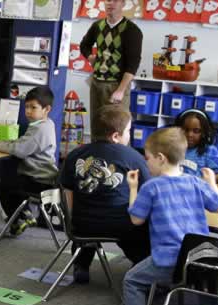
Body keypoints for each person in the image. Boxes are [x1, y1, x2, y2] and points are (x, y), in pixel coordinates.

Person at [108, 128, 218, 305]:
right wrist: (212, 183)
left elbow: (136, 219)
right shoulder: (195, 182)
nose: (146, 162)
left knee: (132, 279)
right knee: (201, 277)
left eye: (148, 158)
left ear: (160, 158)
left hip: (169, 259)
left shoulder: (151, 187)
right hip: (202, 257)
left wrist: (132, 188)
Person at [60, 106, 151, 284]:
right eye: (128, 131)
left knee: (85, 235)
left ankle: (81, 265)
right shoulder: (133, 156)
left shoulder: (75, 154)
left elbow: (67, 191)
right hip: (121, 225)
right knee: (141, 231)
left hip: (82, 225)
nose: (129, 136)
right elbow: (147, 191)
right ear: (116, 136)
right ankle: (140, 265)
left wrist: (71, 221)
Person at [0, 86, 60, 237]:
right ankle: (26, 214)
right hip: (43, 176)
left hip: (39, 178)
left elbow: (20, 150)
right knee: (12, 177)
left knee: (4, 184)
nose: (28, 111)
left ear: (46, 109)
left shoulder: (39, 130)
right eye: (27, 107)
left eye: (33, 107)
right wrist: (9, 143)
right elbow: (23, 143)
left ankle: (18, 220)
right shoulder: (46, 124)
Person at [78, 0, 143, 138]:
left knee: (117, 128)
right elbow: (84, 45)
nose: (110, 3)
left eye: (115, 0)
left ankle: (118, 158)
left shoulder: (131, 30)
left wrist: (121, 90)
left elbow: (133, 64)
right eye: (107, 0)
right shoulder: (97, 26)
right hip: (97, 83)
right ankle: (96, 158)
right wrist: (91, 58)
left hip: (116, 85)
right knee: (97, 125)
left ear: (123, 4)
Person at [175, 109, 218, 183]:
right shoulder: (171, 147)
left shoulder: (209, 150)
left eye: (196, 131)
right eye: (185, 130)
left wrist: (201, 180)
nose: (190, 135)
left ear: (204, 133)